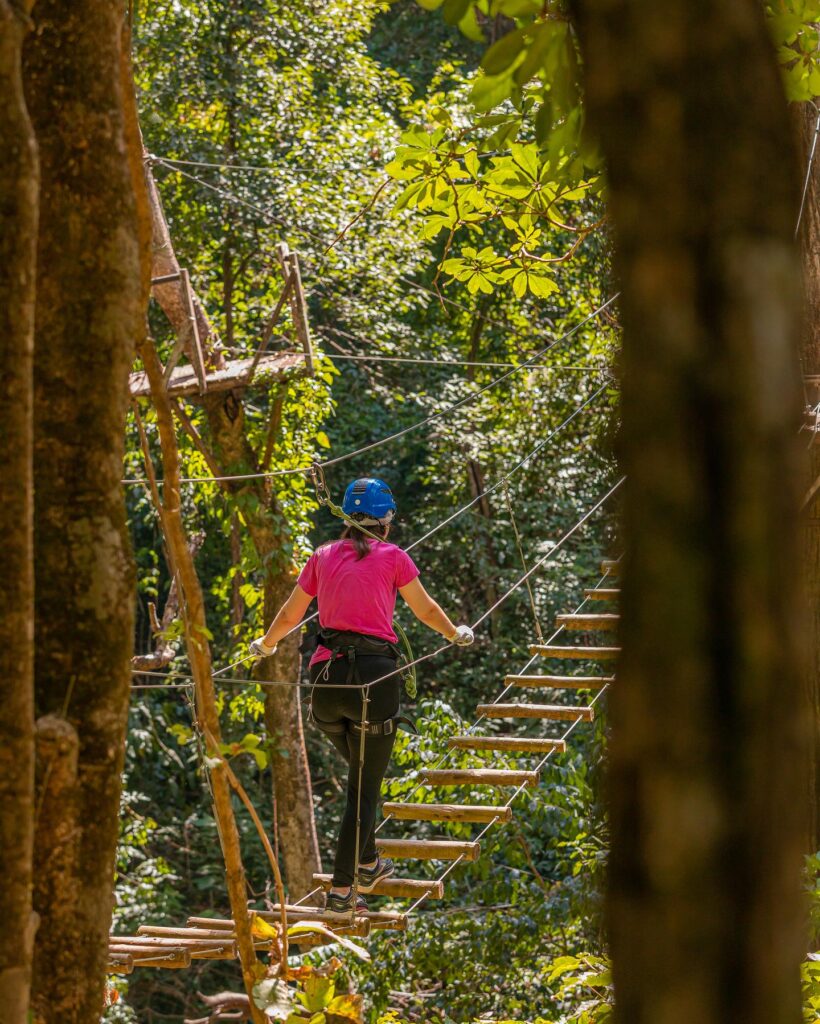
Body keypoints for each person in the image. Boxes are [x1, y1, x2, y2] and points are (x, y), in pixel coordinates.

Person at [249, 477, 474, 918]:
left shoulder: (322, 555)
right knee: (363, 791)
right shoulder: (394, 557)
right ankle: (341, 892)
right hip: (373, 682)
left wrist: (267, 643)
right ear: (386, 520)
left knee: (361, 779)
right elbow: (425, 610)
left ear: (347, 517)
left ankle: (368, 864)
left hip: (326, 685)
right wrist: (455, 632)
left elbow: (292, 613)